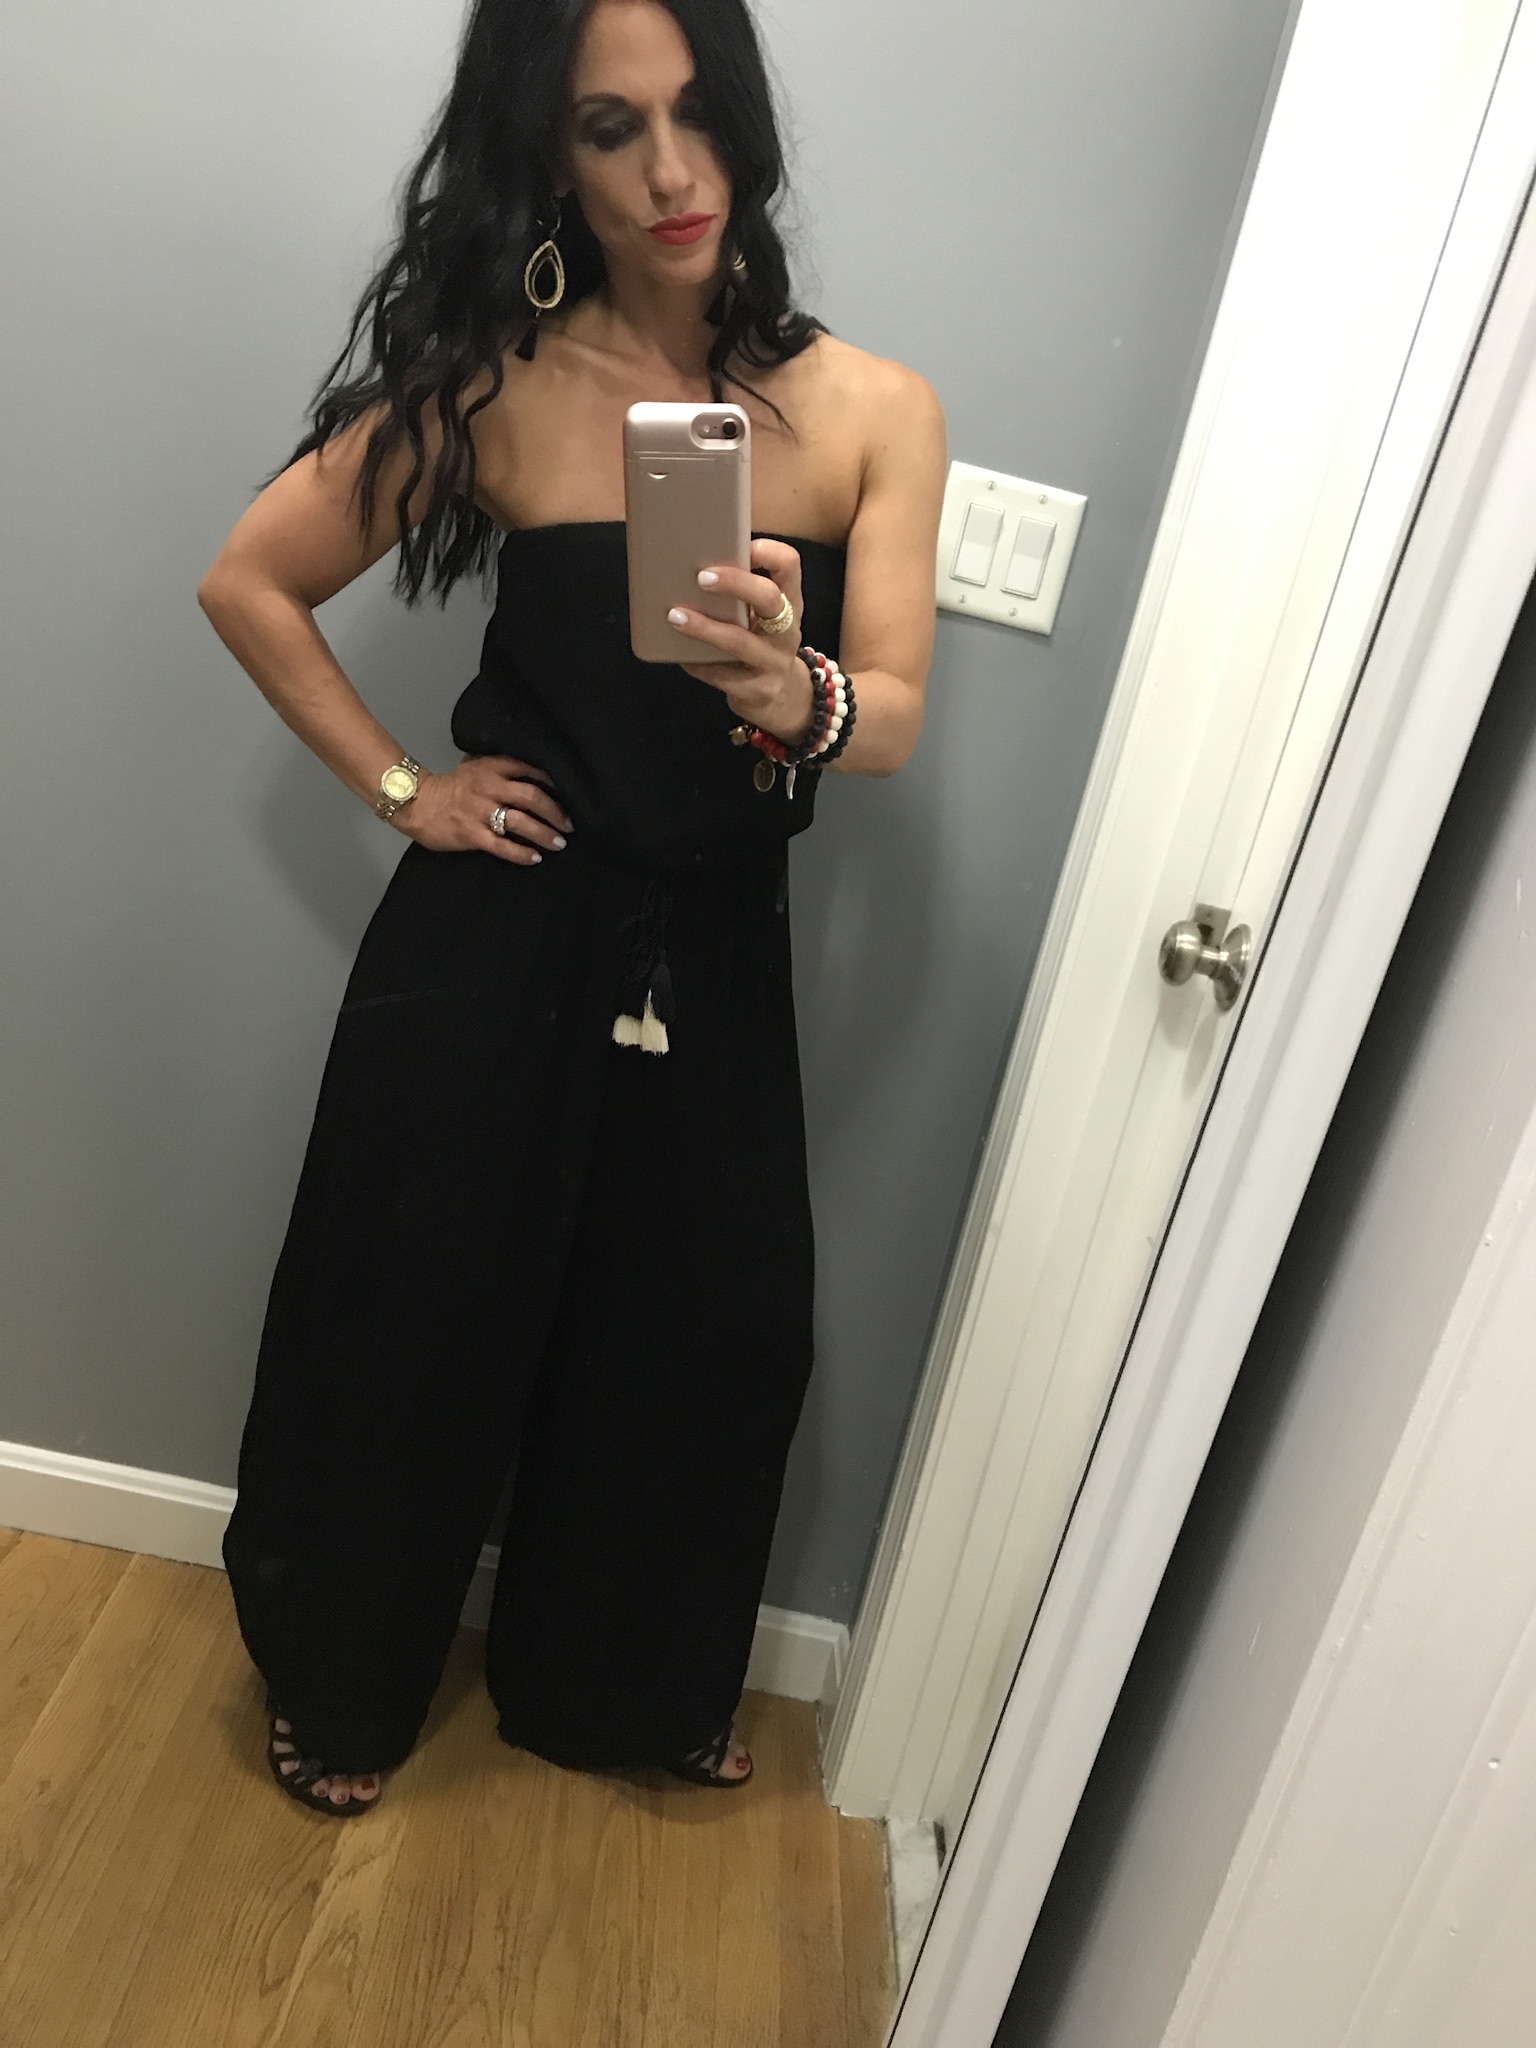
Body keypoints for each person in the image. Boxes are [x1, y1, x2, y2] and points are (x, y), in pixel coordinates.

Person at [198, 0, 944, 1816]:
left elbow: (893, 719)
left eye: (699, 115)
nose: (673, 172)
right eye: (613, 128)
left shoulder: (874, 411)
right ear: (547, 153)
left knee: (703, 1333)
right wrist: (411, 791)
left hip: (719, 941)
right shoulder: (492, 384)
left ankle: (623, 1685)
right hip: (500, 936)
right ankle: (342, 1678)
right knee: (411, 1310)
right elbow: (249, 582)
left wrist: (796, 691)